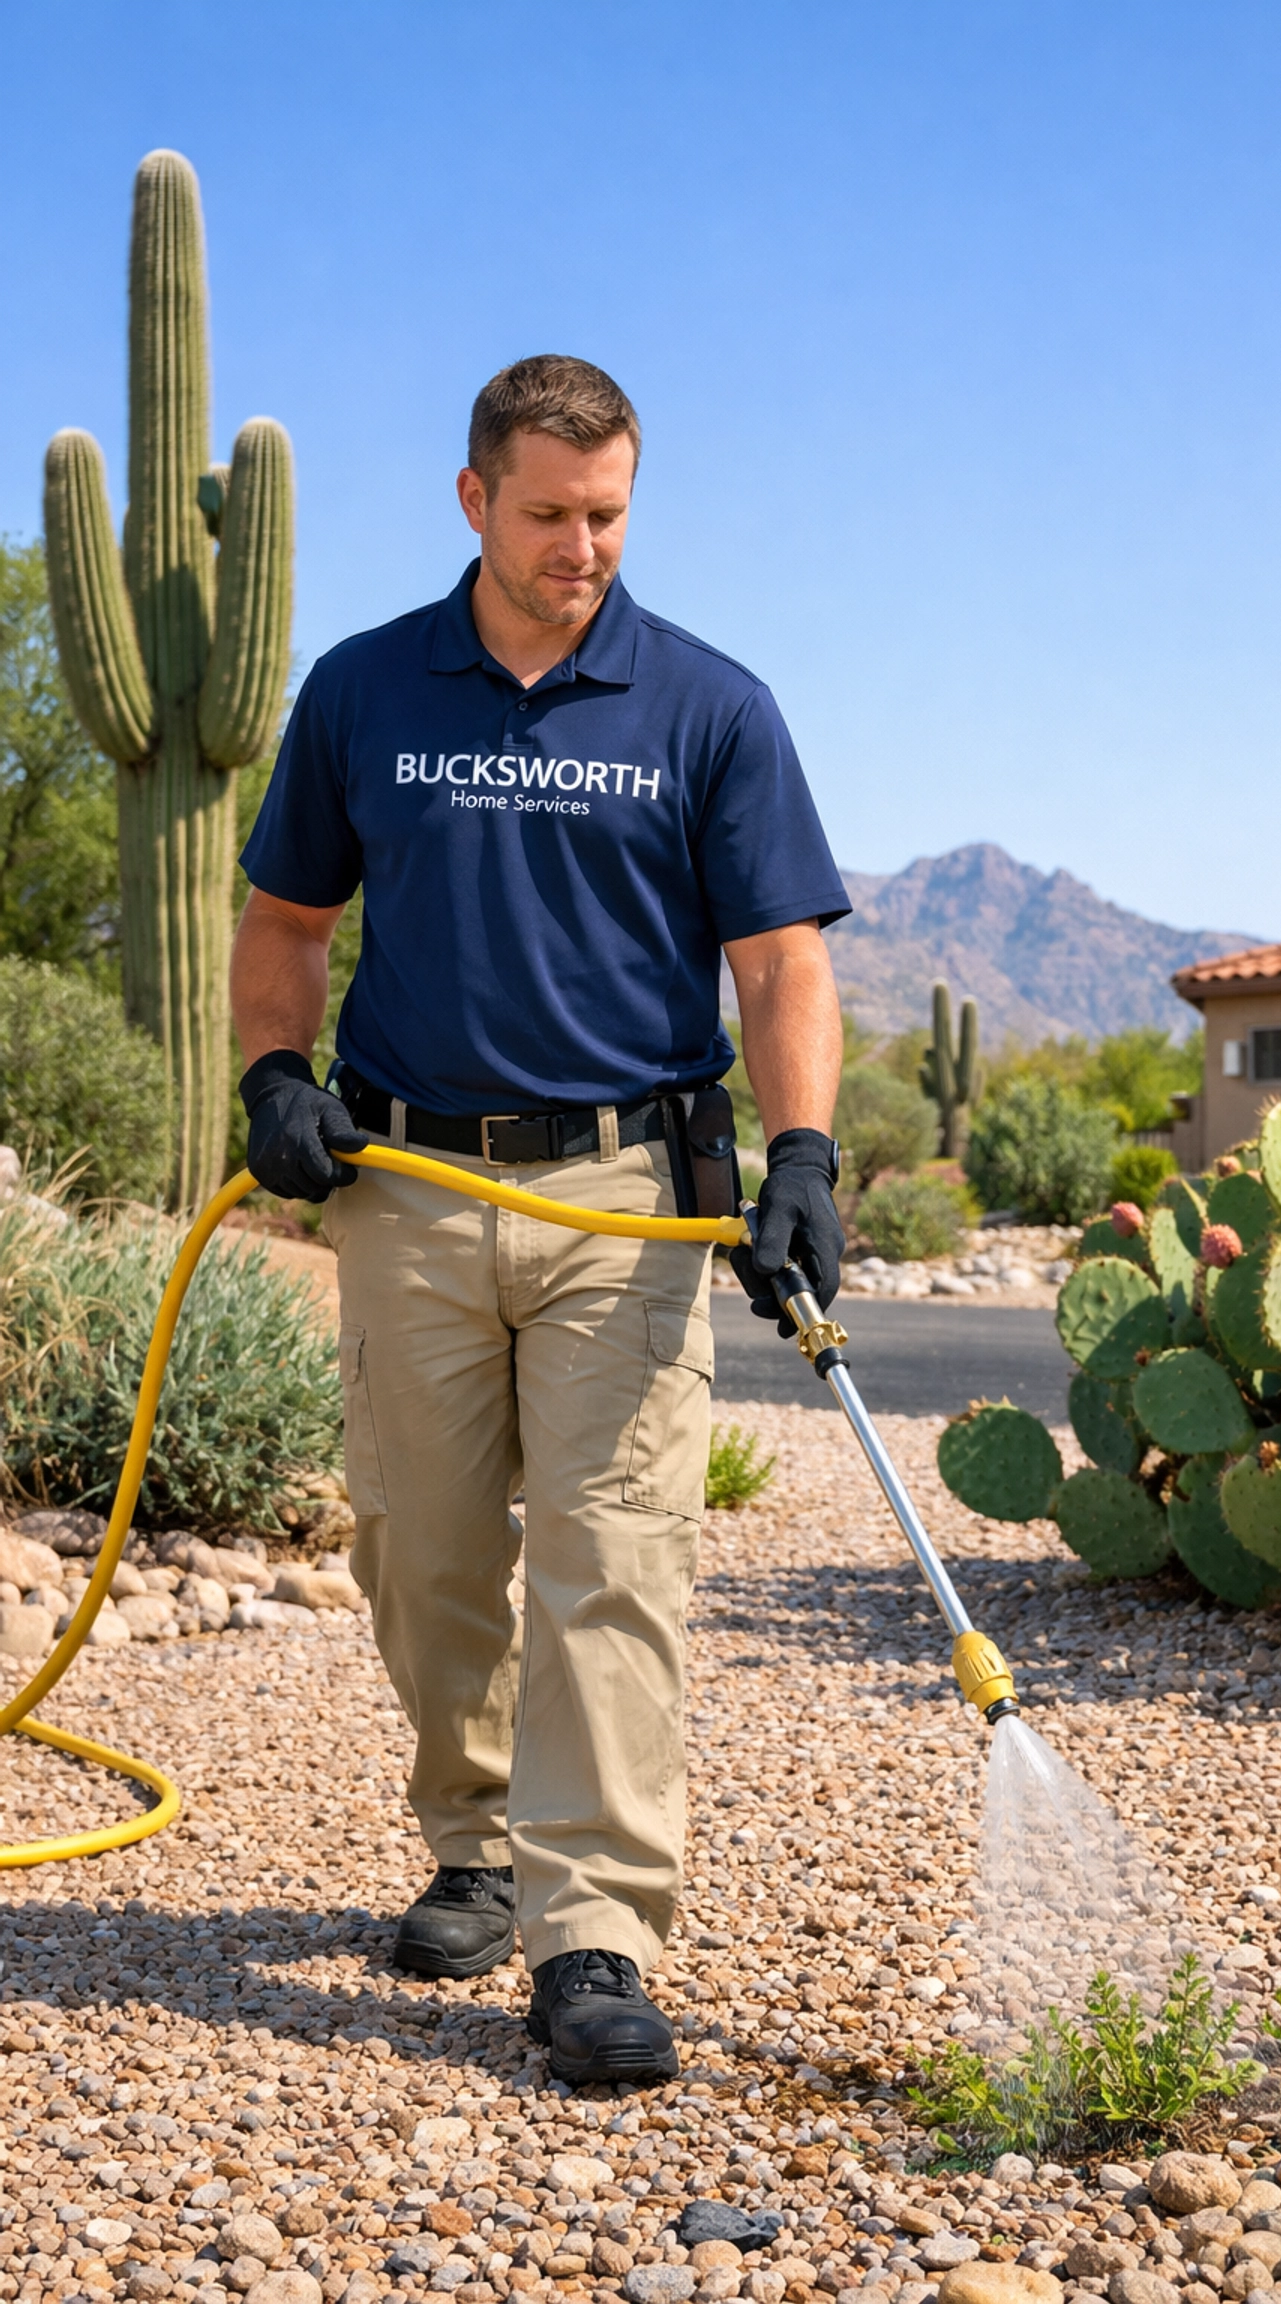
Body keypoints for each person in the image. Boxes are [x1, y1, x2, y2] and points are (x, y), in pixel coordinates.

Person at [231, 355, 848, 2084]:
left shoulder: (708, 704)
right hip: (410, 1189)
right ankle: (477, 1845)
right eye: (551, 514)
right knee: (419, 1547)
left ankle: (594, 1935)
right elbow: (284, 923)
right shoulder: (365, 691)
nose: (584, 548)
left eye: (611, 514)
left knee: (612, 1557)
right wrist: (278, 1080)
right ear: (473, 502)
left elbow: (784, 958)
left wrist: (798, 1157)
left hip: (623, 1203)